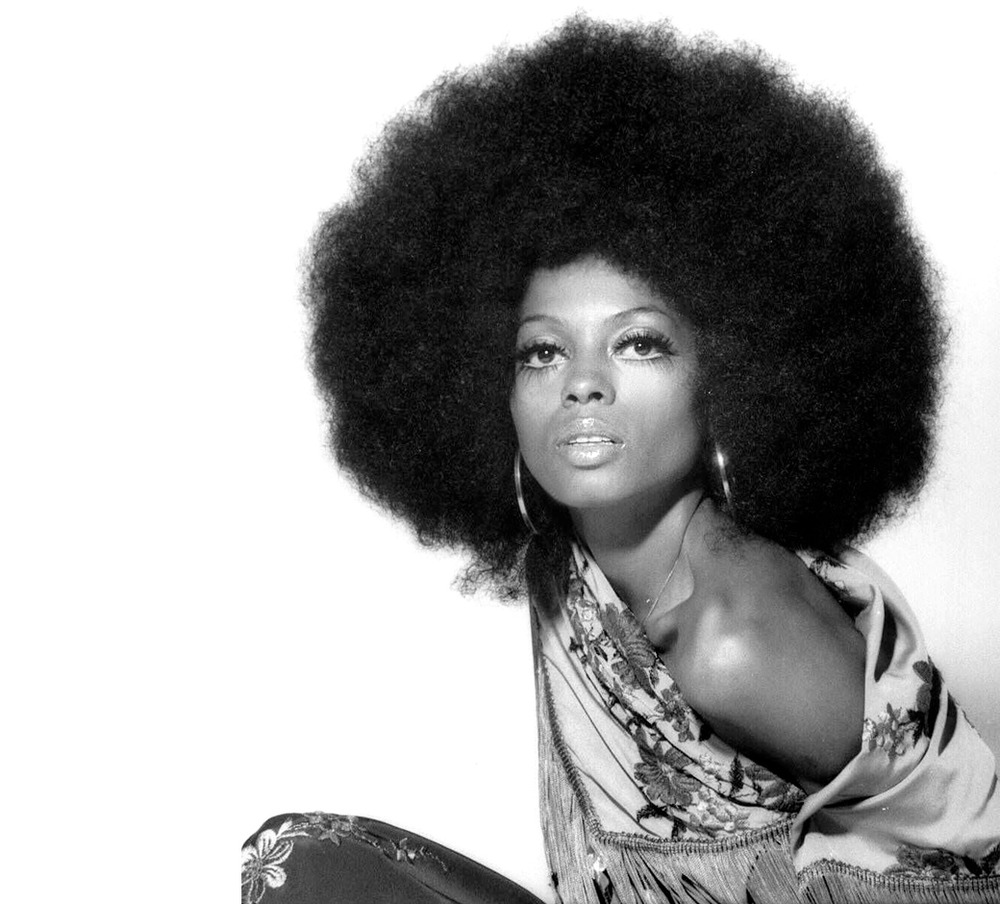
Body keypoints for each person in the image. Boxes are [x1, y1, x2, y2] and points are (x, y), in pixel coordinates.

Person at [243, 16, 1000, 904]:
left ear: (732, 377)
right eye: (542, 352)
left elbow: (962, 870)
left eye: (639, 343)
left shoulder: (739, 642)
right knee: (301, 862)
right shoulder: (572, 571)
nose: (583, 384)